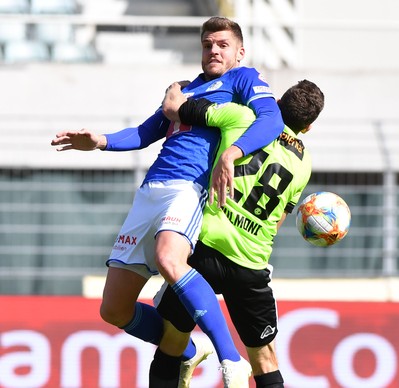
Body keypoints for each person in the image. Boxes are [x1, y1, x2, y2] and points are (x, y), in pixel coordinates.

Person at [50, 16, 284, 388]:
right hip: (150, 192)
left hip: (188, 188)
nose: (213, 50)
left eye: (223, 45)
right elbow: (145, 132)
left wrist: (234, 151)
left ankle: (231, 359)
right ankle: (192, 351)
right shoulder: (181, 91)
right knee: (113, 310)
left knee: (169, 258)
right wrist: (100, 141)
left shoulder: (243, 79)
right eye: (208, 44)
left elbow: (273, 119)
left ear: (240, 51)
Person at [152, 79, 325, 388]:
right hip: (250, 263)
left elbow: (177, 110)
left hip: (204, 251)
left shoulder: (243, 117)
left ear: (276, 103)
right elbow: (279, 219)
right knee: (264, 360)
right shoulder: (305, 163)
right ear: (308, 127)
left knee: (171, 342)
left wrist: (175, 89)